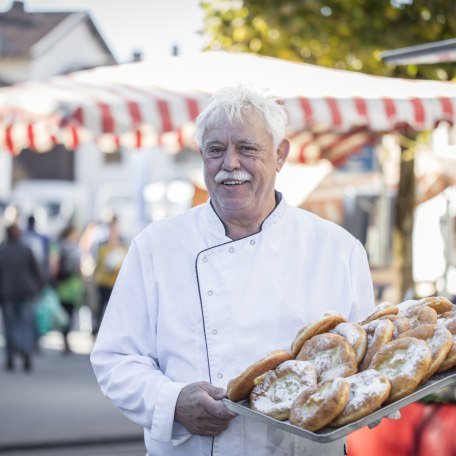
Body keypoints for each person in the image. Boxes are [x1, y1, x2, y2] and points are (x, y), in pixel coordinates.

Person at [91, 84, 376, 456]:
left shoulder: (339, 250)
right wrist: (172, 401)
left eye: (247, 148)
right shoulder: (156, 246)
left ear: (280, 155)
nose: (230, 164)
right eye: (215, 150)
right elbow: (115, 358)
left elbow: (367, 363)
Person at [0, 224, 43, 371]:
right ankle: (25, 352)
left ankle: (11, 357)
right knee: (25, 325)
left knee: (10, 326)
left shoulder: (2, 251)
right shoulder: (26, 250)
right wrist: (39, 288)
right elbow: (37, 272)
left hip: (7, 293)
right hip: (26, 292)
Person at [92, 215, 128, 335]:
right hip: (103, 281)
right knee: (101, 306)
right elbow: (98, 263)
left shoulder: (123, 247)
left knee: (112, 308)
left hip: (115, 283)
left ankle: (108, 330)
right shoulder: (102, 245)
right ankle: (97, 327)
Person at [55, 224, 84, 354]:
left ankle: (64, 338)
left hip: (62, 284)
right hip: (72, 284)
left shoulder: (59, 246)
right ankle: (66, 339)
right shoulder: (75, 248)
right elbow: (79, 267)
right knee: (70, 314)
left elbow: (53, 265)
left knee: (64, 312)